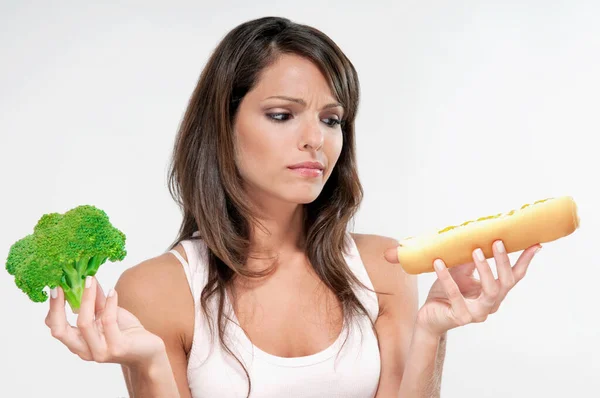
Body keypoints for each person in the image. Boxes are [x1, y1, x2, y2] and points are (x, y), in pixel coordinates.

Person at [44, 16, 542, 398]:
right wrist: (150, 364)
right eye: (282, 115)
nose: (315, 141)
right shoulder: (159, 289)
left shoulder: (383, 267)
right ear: (223, 125)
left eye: (332, 120)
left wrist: (433, 330)